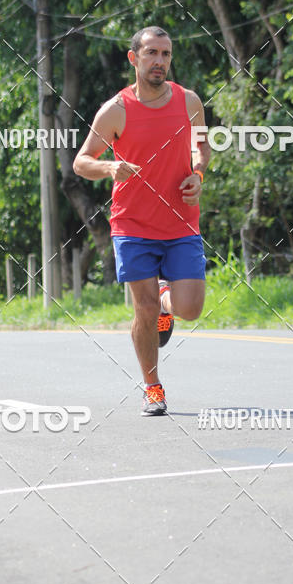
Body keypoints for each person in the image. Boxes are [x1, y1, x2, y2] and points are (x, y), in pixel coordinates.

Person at [73, 26, 211, 416]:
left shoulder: (189, 101)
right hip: (132, 225)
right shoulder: (115, 110)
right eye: (152, 53)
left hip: (182, 222)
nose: (159, 61)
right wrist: (109, 167)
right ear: (134, 58)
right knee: (144, 309)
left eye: (166, 54)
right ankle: (152, 387)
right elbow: (81, 161)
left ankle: (169, 302)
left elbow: (201, 145)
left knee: (190, 309)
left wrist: (197, 174)